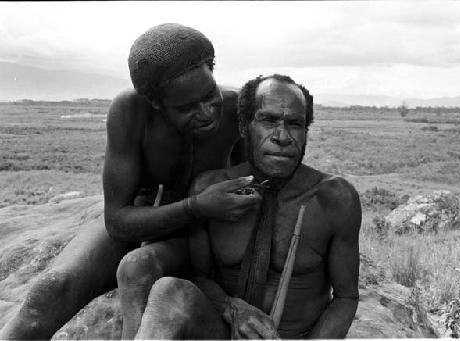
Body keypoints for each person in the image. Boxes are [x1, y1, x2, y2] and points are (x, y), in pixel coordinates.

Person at [0, 23, 261, 340]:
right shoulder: (131, 113)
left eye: (210, 95)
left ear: (213, 70)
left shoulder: (237, 111)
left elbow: (255, 187)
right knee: (51, 290)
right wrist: (195, 206)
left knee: (140, 269)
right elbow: (117, 220)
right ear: (154, 102)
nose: (207, 112)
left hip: (204, 233)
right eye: (187, 107)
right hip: (145, 218)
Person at [134, 74, 362, 339]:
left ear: (305, 132)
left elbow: (346, 297)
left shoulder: (334, 198)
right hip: (224, 331)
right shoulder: (210, 190)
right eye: (268, 120)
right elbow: (200, 276)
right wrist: (231, 308)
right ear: (244, 126)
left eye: (295, 124)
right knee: (168, 291)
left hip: (295, 337)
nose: (282, 136)